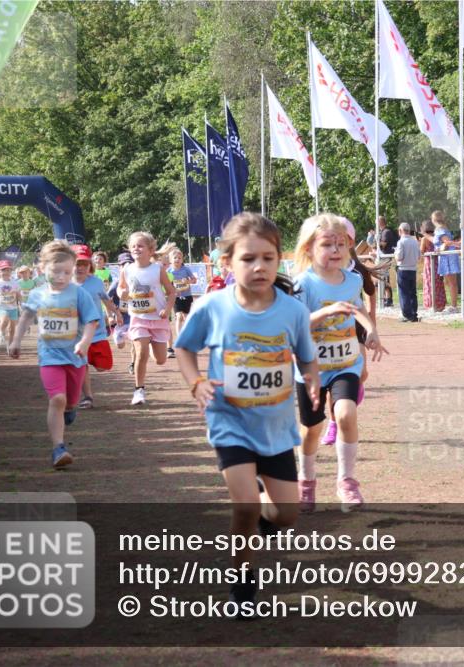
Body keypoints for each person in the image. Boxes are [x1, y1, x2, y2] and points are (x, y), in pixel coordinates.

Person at [174, 212, 319, 613]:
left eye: (268, 258)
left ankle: (262, 525)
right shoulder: (212, 307)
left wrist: (311, 379)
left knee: (286, 515)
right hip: (229, 423)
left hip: (275, 428)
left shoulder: (292, 311)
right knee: (245, 506)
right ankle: (242, 583)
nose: (259, 267)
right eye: (249, 258)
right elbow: (184, 348)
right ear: (228, 262)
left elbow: (307, 358)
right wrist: (196, 382)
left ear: (279, 261)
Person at [292, 214, 387, 512]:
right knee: (311, 431)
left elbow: (355, 306)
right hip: (312, 369)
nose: (335, 250)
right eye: (327, 244)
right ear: (308, 248)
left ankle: (347, 482)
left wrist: (370, 328)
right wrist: (325, 312)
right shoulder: (302, 285)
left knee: (346, 414)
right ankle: (306, 481)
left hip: (346, 362)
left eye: (341, 244)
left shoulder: (353, 279)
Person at [8, 240, 100, 469]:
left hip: (75, 358)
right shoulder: (38, 294)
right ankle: (58, 448)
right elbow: (26, 318)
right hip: (49, 356)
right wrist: (16, 341)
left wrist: (85, 342)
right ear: (42, 269)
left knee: (70, 402)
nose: (61, 276)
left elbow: (92, 321)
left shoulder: (79, 294)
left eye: (67, 272)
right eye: (56, 271)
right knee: (57, 399)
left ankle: (71, 409)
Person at [117, 231, 176, 406]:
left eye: (140, 245)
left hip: (158, 318)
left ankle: (151, 345)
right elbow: (120, 288)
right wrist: (123, 294)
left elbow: (171, 292)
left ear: (151, 250)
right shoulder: (126, 269)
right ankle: (139, 390)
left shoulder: (158, 269)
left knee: (160, 360)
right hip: (138, 318)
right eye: (133, 246)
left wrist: (167, 308)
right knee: (140, 354)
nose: (136, 248)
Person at [72, 244, 120, 409]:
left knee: (103, 366)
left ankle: (88, 360)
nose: (80, 267)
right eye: (77, 263)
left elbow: (106, 300)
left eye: (84, 264)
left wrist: (116, 313)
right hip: (77, 335)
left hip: (98, 333)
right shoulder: (65, 284)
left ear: (90, 266)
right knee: (82, 365)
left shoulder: (96, 282)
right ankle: (88, 397)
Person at [0, 260, 21, 348]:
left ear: (11, 271)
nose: (6, 272)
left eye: (8, 270)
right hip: (2, 307)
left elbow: (18, 294)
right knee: (4, 320)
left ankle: (11, 346)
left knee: (12, 329)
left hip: (13, 307)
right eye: (3, 270)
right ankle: (1, 333)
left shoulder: (15, 282)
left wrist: (21, 304)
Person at [433, 210, 461, 312]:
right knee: (450, 282)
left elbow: (447, 242)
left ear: (434, 219)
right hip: (447, 257)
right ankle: (454, 305)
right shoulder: (443, 228)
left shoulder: (440, 230)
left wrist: (440, 248)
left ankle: (454, 306)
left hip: (447, 257)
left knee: (452, 282)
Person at [169, 247, 197, 343]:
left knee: (186, 317)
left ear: (182, 260)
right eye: (175, 257)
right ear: (170, 260)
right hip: (175, 297)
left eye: (179, 258)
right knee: (178, 316)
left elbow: (194, 280)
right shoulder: (169, 271)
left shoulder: (186, 269)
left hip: (187, 295)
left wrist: (188, 281)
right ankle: (179, 338)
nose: (177, 259)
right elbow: (166, 285)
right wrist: (172, 289)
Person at [395, 222, 422, 322]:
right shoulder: (415, 241)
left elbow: (399, 257)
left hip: (403, 269)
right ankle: (414, 313)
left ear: (401, 231)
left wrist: (395, 254)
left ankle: (407, 315)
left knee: (404, 293)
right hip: (413, 269)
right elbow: (419, 256)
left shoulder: (401, 242)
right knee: (412, 293)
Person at [419, 220, 447, 312]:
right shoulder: (436, 237)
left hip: (429, 264)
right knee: (439, 283)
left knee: (429, 284)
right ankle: (440, 304)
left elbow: (422, 251)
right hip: (437, 263)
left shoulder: (424, 239)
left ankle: (431, 304)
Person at [375, 216, 398, 307]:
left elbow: (382, 245)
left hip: (385, 258)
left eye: (377, 222)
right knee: (380, 279)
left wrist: (376, 242)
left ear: (380, 222)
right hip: (382, 257)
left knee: (384, 279)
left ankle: (388, 299)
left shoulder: (386, 232)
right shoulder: (382, 232)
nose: (376, 224)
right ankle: (385, 298)